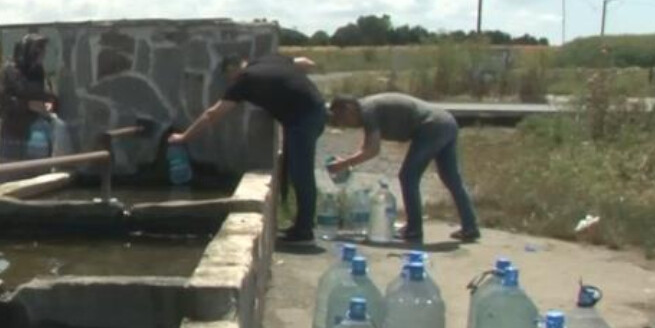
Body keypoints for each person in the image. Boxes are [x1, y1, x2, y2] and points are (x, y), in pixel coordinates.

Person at [169, 54, 324, 243]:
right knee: (296, 171)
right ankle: (303, 225)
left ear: (233, 68)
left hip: (303, 119)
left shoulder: (244, 80)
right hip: (315, 109)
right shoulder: (268, 60)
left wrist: (184, 137)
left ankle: (304, 232)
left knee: (302, 174)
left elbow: (213, 115)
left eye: (229, 77)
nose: (230, 81)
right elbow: (307, 62)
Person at [327, 92, 480, 243]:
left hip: (431, 126)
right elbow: (368, 145)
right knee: (451, 178)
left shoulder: (367, 111)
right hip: (446, 122)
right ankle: (470, 227)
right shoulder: (368, 109)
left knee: (408, 177)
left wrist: (344, 163)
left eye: (342, 119)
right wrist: (347, 161)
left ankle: (413, 230)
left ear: (349, 108)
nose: (345, 125)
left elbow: (372, 150)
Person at [0, 33, 59, 165]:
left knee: (36, 175)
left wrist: (45, 107)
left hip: (37, 133)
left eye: (43, 49)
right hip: (14, 130)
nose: (42, 53)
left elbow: (50, 104)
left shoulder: (39, 73)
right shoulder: (9, 71)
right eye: (38, 49)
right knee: (10, 174)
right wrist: (27, 105)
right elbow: (1, 98)